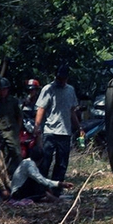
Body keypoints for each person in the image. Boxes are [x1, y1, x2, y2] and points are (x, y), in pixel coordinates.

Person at [33, 64, 80, 192]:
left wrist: (78, 127)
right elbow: (41, 108)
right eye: (59, 78)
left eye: (63, 78)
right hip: (50, 131)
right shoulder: (48, 89)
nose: (61, 80)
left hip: (65, 132)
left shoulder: (70, 90)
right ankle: (41, 190)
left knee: (62, 164)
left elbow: (72, 111)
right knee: (45, 162)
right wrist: (37, 126)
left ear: (67, 78)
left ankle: (56, 191)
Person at [0, 76, 23, 173]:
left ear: (7, 89)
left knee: (17, 153)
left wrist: (17, 130)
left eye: (4, 89)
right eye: (0, 89)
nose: (2, 92)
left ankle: (20, 174)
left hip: (11, 131)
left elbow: (19, 116)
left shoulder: (13, 101)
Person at [19, 78, 42, 159]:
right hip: (25, 129)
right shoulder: (22, 102)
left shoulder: (41, 103)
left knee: (40, 148)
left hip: (37, 129)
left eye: (33, 90)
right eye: (29, 90)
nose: (31, 92)